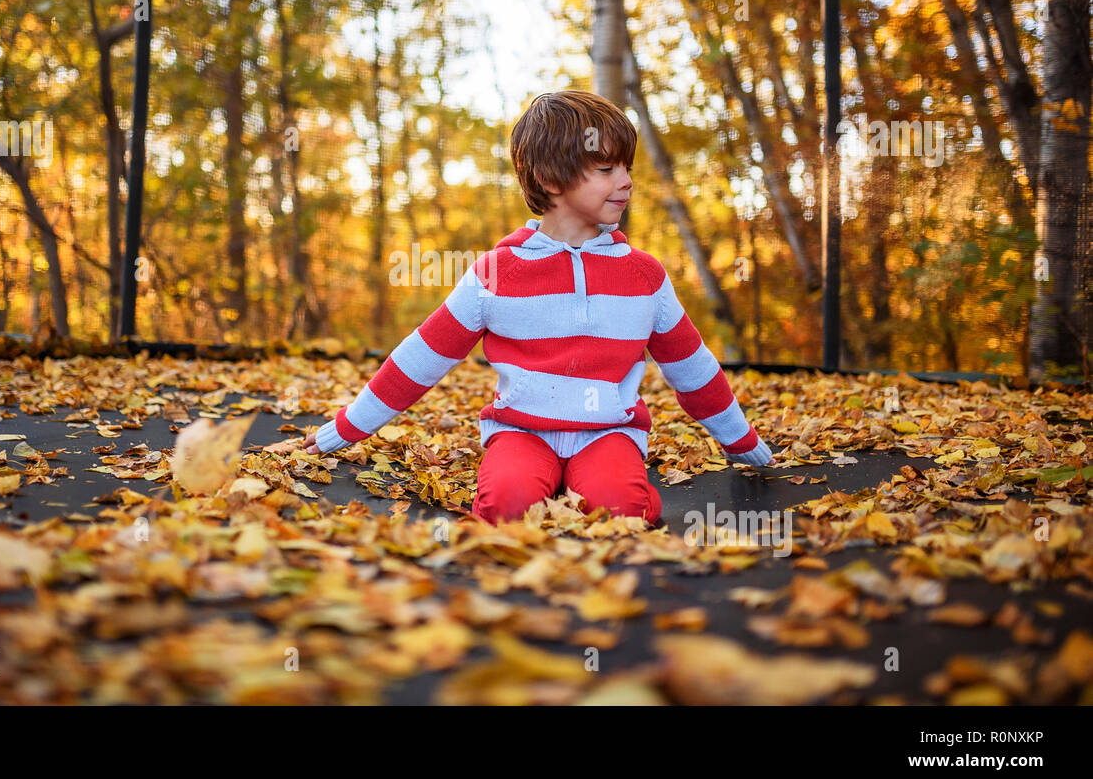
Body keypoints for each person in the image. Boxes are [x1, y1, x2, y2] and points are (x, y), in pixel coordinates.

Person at [300, 89, 775, 525]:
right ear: (550, 178)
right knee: (505, 507)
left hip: (608, 433)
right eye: (607, 170)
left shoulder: (644, 275)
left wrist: (741, 440)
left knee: (623, 512)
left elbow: (693, 368)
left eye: (627, 168)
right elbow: (422, 357)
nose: (627, 182)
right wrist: (343, 430)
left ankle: (602, 487)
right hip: (522, 433)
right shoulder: (495, 273)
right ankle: (543, 484)